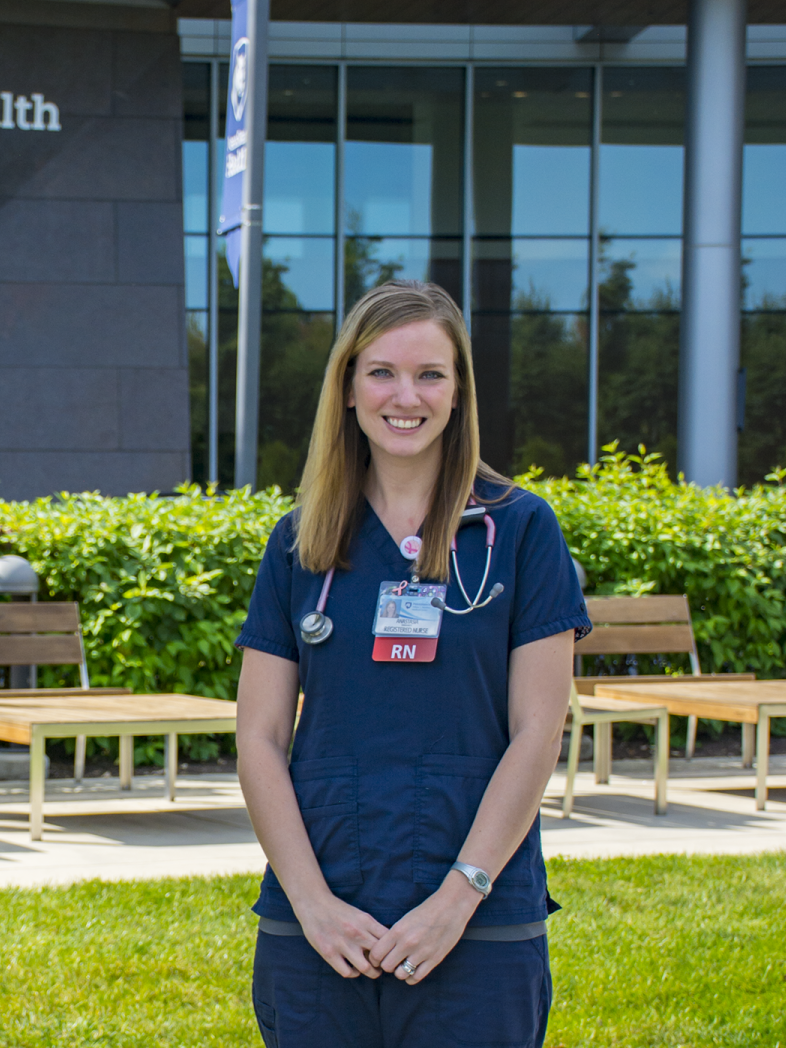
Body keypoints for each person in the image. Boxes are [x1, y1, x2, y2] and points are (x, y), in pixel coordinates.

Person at [236, 280, 590, 1048]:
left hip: (479, 925)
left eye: (431, 373)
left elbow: (539, 730)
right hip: (323, 926)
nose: (407, 395)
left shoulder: (520, 530)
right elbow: (259, 736)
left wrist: (457, 898)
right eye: (382, 372)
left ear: (459, 391)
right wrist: (311, 901)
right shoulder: (299, 542)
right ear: (349, 387)